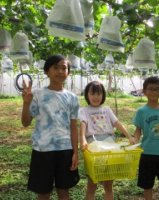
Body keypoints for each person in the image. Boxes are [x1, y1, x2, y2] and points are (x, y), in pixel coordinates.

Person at [21, 54, 80, 200]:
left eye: (64, 68)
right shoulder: (38, 94)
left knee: (64, 191)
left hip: (65, 150)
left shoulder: (72, 98)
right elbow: (25, 122)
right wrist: (26, 103)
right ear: (47, 71)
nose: (60, 71)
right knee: (43, 192)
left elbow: (73, 127)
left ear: (68, 72)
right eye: (55, 68)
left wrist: (75, 152)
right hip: (43, 150)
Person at [79, 80, 135, 200]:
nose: (96, 97)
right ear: (87, 95)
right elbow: (83, 125)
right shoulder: (84, 110)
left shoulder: (107, 109)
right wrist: (83, 139)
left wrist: (129, 136)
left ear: (103, 95)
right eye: (92, 93)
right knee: (92, 184)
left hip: (110, 146)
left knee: (109, 184)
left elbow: (117, 123)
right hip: (93, 146)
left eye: (99, 94)